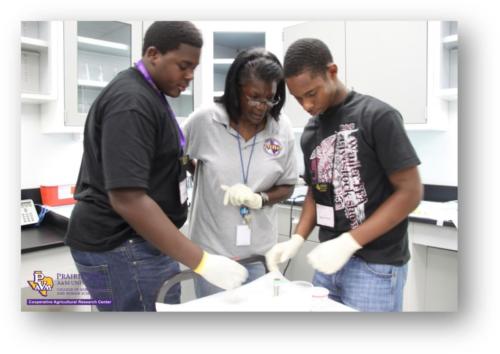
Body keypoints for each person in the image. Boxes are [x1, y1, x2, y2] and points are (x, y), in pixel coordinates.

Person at [65, 21, 248, 311]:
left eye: (194, 69)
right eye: (183, 66)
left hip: (133, 243)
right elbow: (128, 198)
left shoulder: (149, 94)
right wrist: (201, 261)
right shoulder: (132, 102)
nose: (189, 76)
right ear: (153, 54)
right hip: (124, 245)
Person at [265, 38, 423, 312]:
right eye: (298, 98)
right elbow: (317, 191)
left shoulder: (377, 116)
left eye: (312, 93)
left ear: (332, 72)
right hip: (328, 263)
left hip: (375, 265)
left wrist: (350, 242)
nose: (306, 105)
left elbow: (410, 193)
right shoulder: (312, 132)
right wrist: (298, 238)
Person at [182, 48, 298, 298]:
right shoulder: (206, 120)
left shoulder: (280, 127)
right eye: (254, 97)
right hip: (213, 254)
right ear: (236, 89)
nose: (262, 107)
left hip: (260, 255)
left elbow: (288, 185)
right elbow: (175, 155)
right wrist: (202, 176)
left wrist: (260, 199)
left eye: (270, 98)